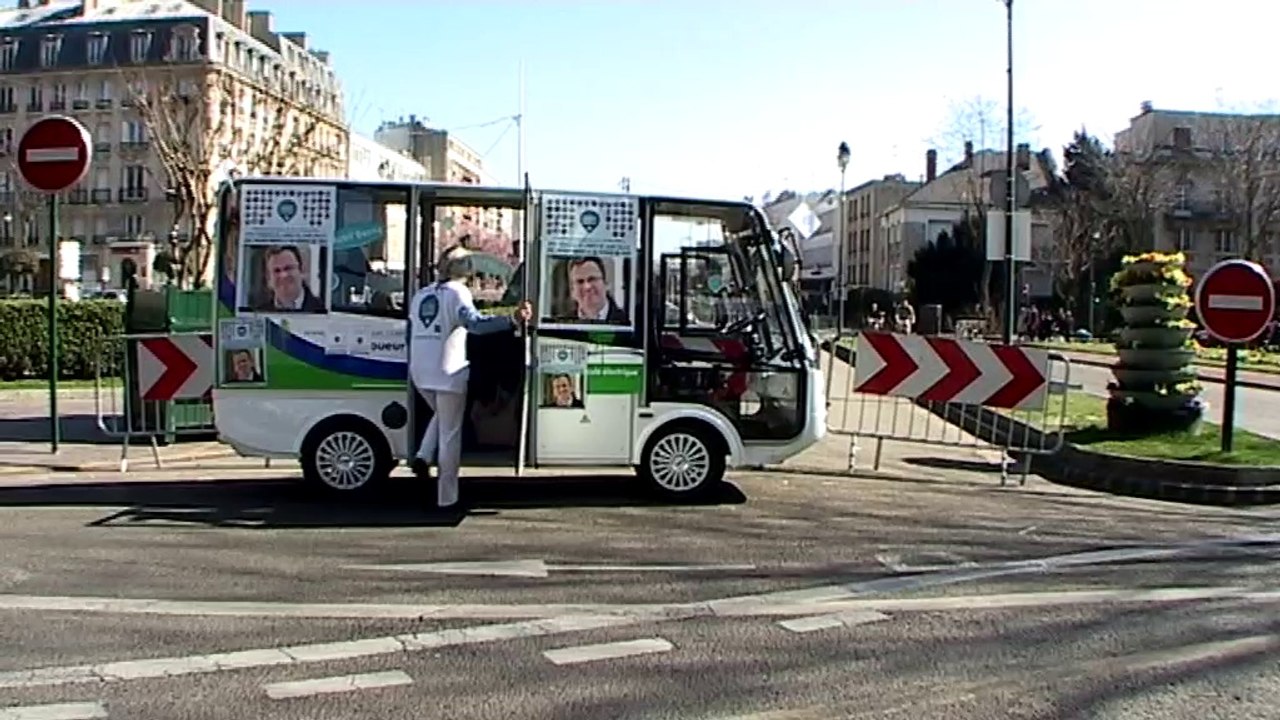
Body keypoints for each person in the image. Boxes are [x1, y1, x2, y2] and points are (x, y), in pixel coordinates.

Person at [408, 246, 533, 508]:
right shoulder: (458, 292)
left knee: (441, 415)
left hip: (419, 371)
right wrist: (512, 319)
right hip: (449, 370)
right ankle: (447, 497)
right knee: (450, 433)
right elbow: (474, 323)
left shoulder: (421, 294)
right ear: (464, 270)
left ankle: (422, 454)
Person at [252, 245, 326, 312]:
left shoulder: (324, 309)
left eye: (288, 268)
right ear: (268, 278)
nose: (283, 275)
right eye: (277, 270)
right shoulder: (257, 313)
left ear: (302, 270)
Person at [557, 256, 629, 324]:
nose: (587, 287)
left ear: (606, 284)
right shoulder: (561, 323)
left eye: (592, 279)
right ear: (572, 291)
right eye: (580, 281)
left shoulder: (628, 320)